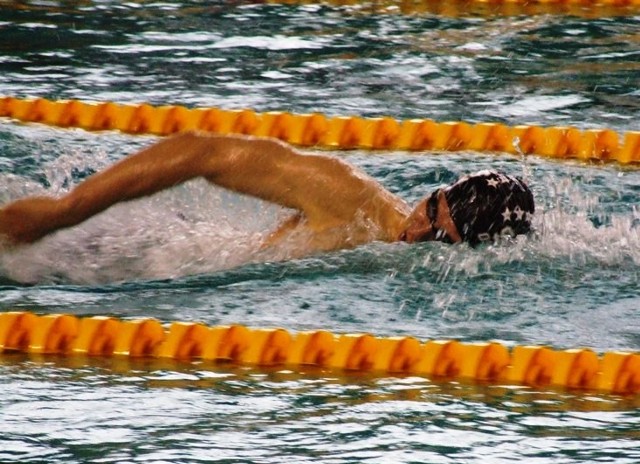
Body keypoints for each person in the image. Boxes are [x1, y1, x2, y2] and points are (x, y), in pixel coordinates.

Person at [0, 132, 534, 255]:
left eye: (438, 236)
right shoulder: (350, 199)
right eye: (429, 205)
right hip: (110, 250)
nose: (418, 228)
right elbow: (199, 152)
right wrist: (66, 212)